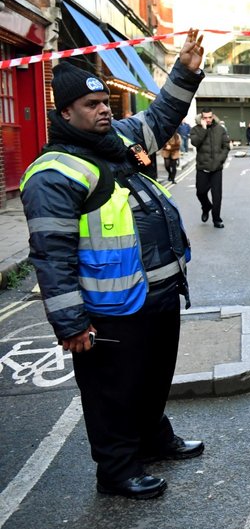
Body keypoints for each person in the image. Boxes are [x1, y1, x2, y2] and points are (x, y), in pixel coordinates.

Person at [19, 29, 206, 500]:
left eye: (105, 101)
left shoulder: (119, 137)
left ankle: (154, 439)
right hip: (108, 304)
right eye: (91, 105)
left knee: (153, 375)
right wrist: (71, 323)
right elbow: (51, 255)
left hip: (157, 292)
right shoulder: (53, 172)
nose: (104, 109)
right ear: (65, 113)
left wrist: (184, 71)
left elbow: (163, 114)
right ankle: (117, 469)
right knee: (112, 391)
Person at [190, 109, 230, 228]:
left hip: (216, 168)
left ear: (213, 117)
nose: (208, 120)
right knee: (200, 192)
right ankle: (206, 206)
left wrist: (220, 160)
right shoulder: (196, 129)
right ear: (201, 118)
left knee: (217, 195)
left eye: (210, 117)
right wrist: (203, 129)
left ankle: (216, 219)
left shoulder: (220, 129)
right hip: (202, 168)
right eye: (205, 117)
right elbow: (195, 143)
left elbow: (226, 146)